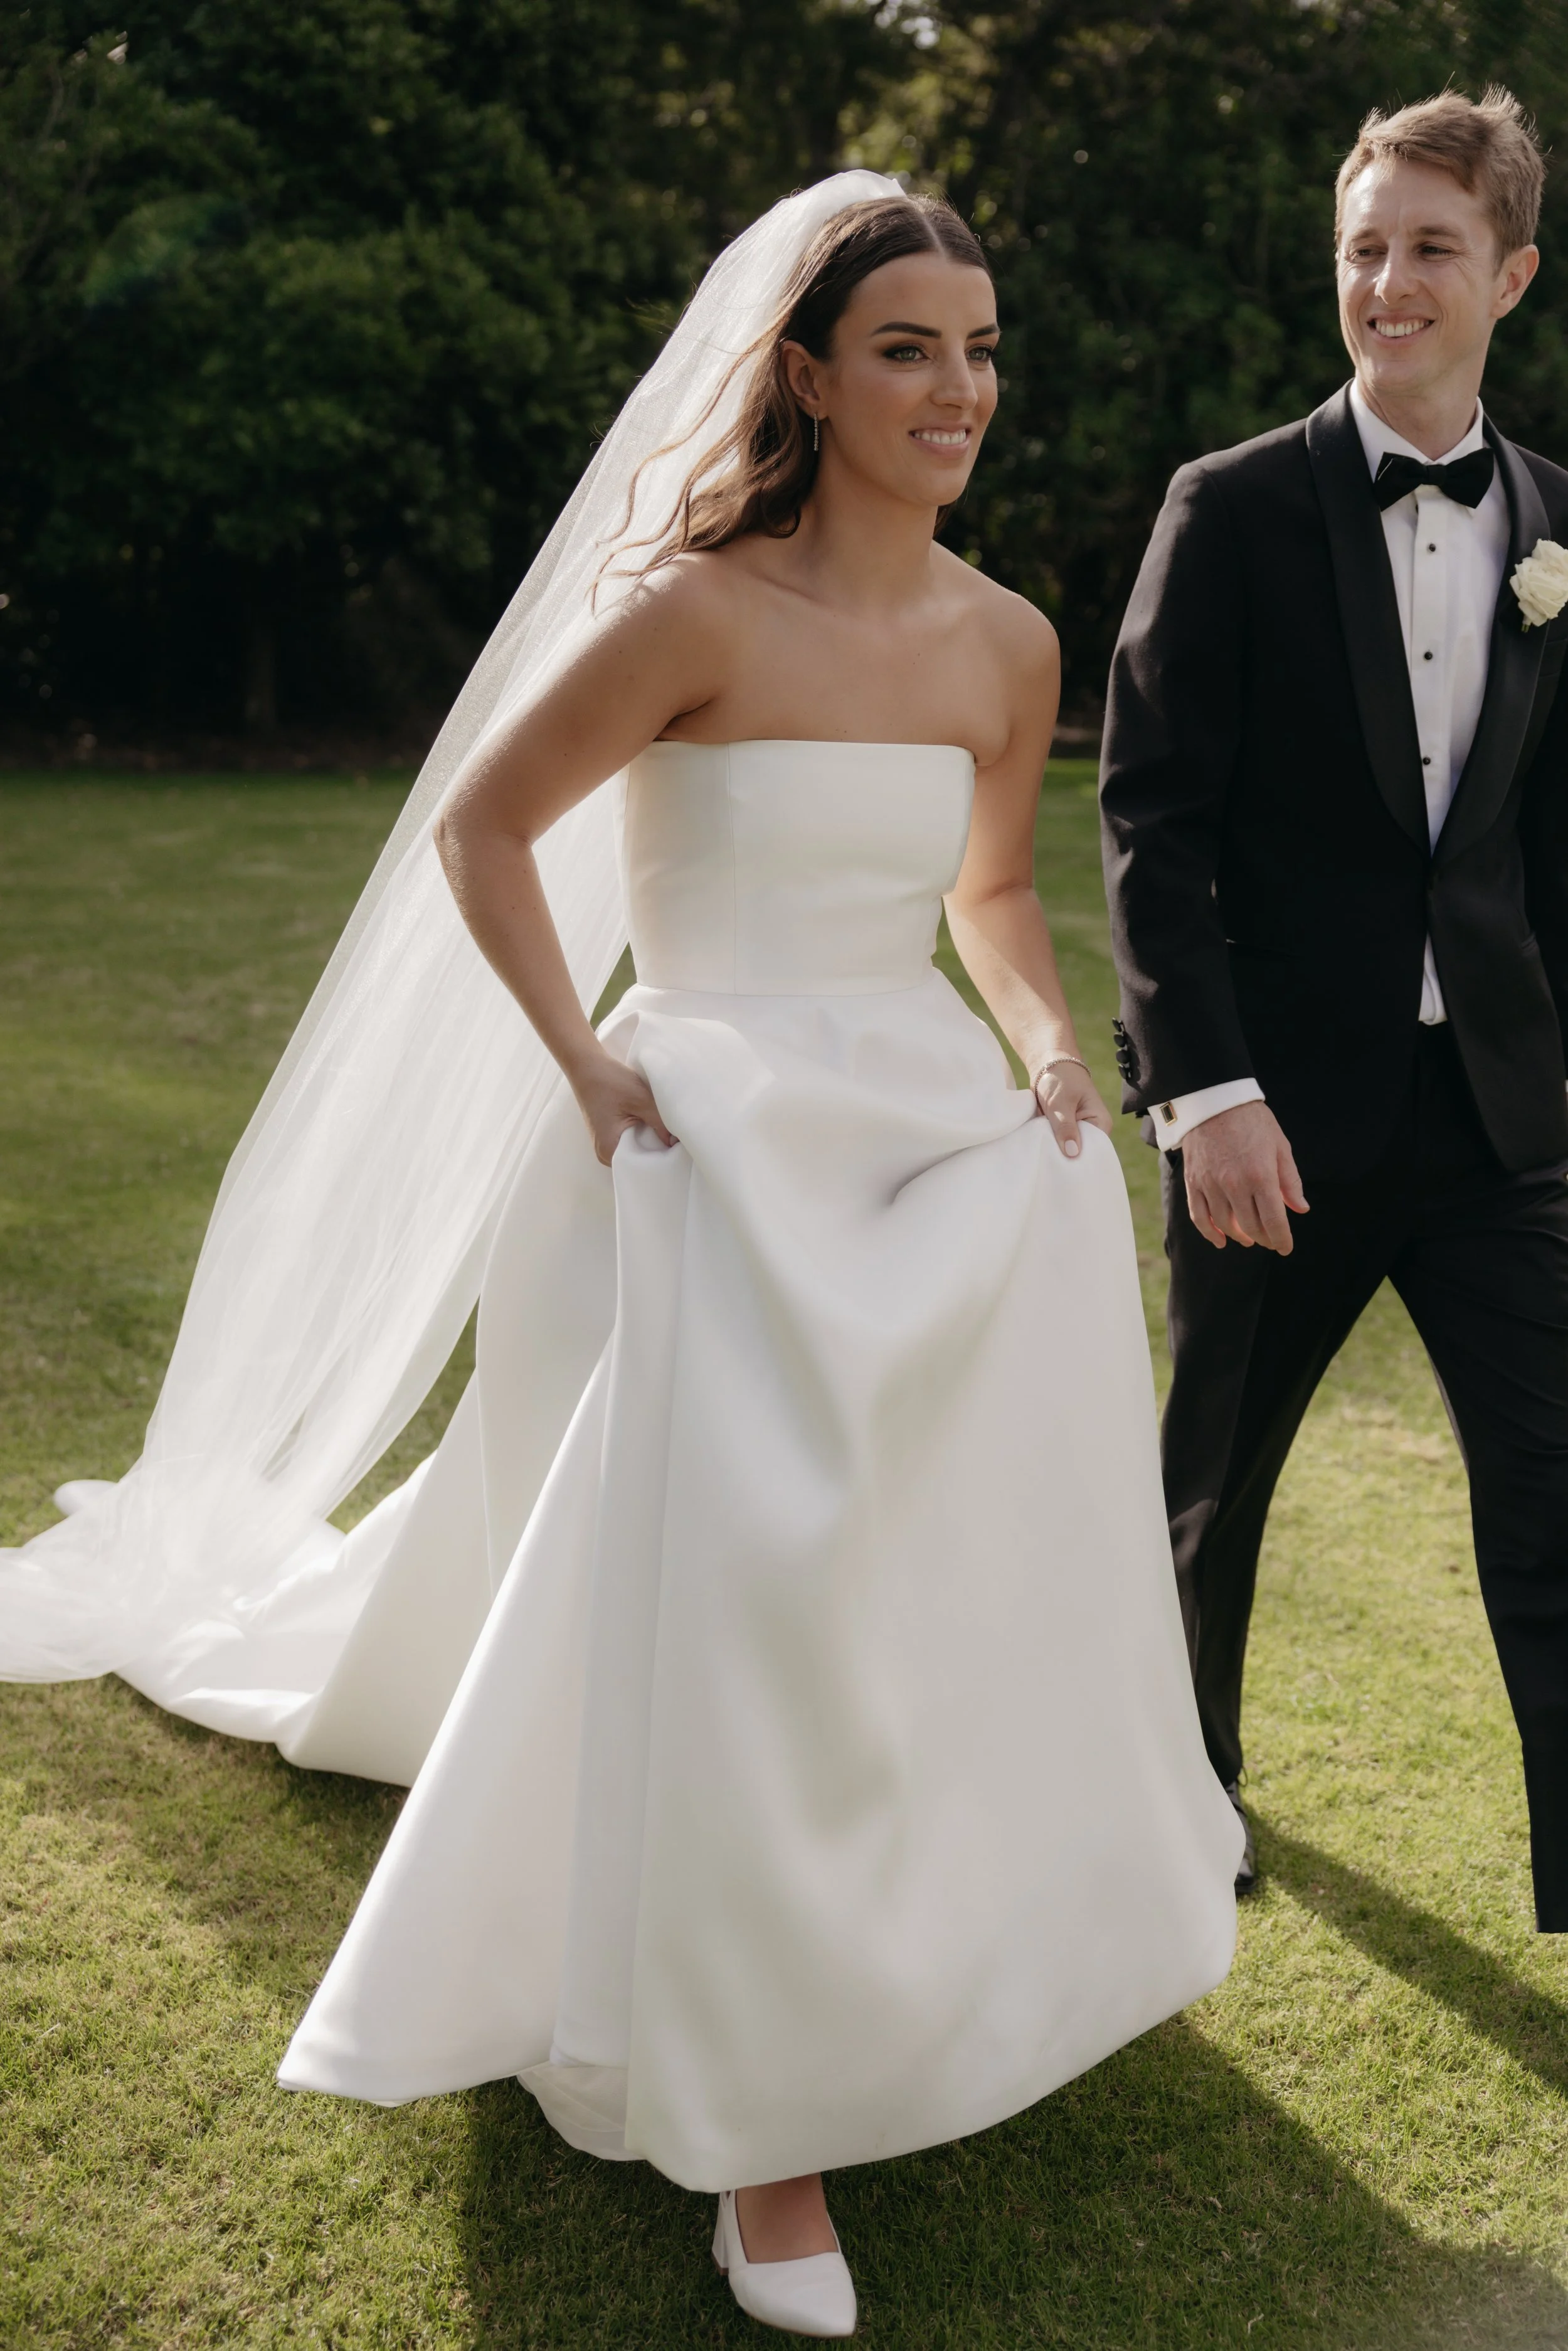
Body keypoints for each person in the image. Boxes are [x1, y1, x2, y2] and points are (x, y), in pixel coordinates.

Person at [0, 176, 1237, 2337]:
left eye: (977, 351)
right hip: (693, 1134)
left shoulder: (1008, 640)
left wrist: (1049, 1049)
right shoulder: (689, 611)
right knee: (741, 1569)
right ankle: (759, 2126)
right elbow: (485, 829)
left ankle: (936, 1922)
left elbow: (990, 897)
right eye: (907, 351)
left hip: (910, 1133)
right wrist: (589, 1071)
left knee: (910, 1555)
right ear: (806, 375)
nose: (956, 392)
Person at [1100, 88, 1568, 1926]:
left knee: (1553, 1498)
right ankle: (1171, 1821)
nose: (1387, 282)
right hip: (1269, 1121)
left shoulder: (1557, 527)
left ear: (1509, 273)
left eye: (1429, 248)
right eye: (1362, 248)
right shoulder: (1224, 510)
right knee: (1207, 1503)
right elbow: (1149, 817)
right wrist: (1201, 1088)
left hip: (1497, 1128)